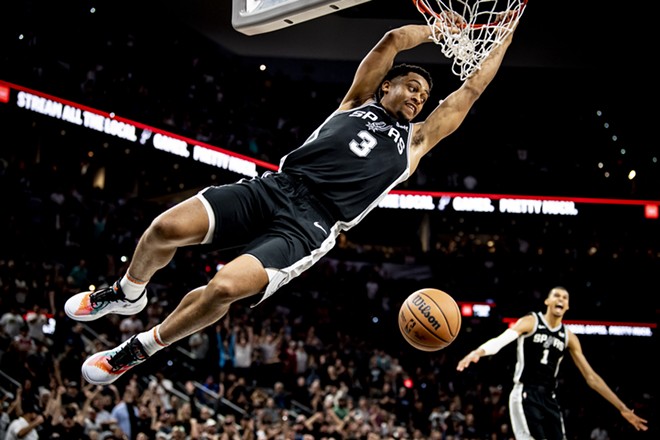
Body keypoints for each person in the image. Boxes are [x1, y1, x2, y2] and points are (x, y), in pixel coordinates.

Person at [65, 13, 521, 385]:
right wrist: (445, 29)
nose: (420, 98)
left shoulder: (416, 142)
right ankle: (126, 294)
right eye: (412, 88)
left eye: (425, 96)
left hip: (310, 226)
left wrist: (504, 32)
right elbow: (394, 38)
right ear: (387, 87)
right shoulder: (355, 100)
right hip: (275, 187)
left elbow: (472, 89)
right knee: (164, 229)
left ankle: (138, 349)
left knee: (224, 287)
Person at [456, 286, 649, 439]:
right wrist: (478, 352)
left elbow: (591, 378)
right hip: (525, 393)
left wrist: (622, 408)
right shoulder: (531, 321)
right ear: (547, 301)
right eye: (556, 295)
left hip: (549, 398)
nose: (560, 299)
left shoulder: (569, 337)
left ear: (567, 307)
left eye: (565, 298)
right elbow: (500, 341)